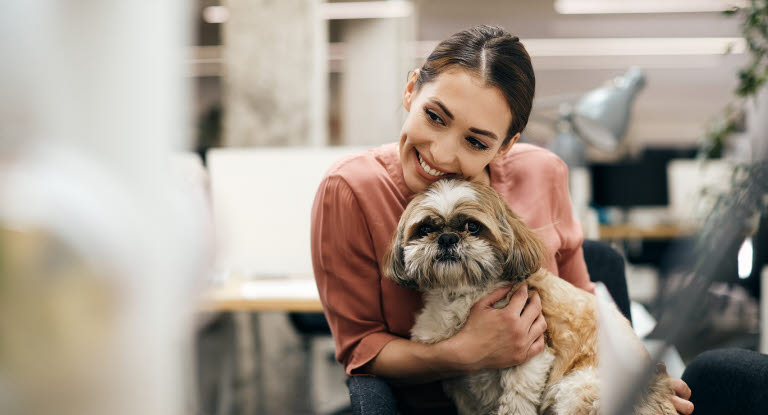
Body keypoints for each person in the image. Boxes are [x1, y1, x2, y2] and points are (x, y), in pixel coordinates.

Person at [310, 25, 693, 414]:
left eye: (476, 141)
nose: (441, 155)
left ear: (507, 144)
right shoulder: (350, 189)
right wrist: (463, 353)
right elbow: (361, 350)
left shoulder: (544, 173)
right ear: (411, 90)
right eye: (435, 117)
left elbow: (582, 304)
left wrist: (637, 376)